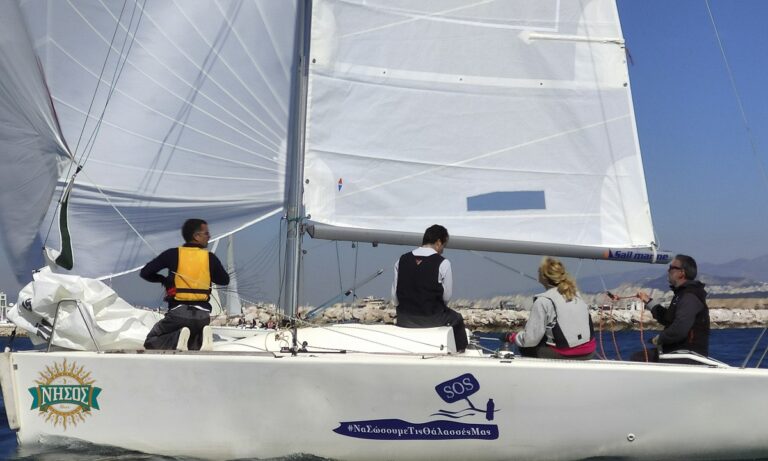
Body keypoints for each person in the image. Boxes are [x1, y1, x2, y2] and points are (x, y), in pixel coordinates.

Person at [141, 219, 229, 351]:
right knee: (189, 340)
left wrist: (164, 280)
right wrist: (205, 273)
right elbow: (224, 280)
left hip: (178, 313)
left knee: (151, 341)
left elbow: (145, 272)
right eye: (206, 233)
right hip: (203, 316)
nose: (209, 236)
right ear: (196, 236)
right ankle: (200, 338)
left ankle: (178, 338)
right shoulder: (210, 257)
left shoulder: (172, 254)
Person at [391, 224, 468, 352]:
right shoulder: (443, 263)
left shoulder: (401, 260)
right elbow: (446, 297)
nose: (443, 250)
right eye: (444, 245)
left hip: (404, 318)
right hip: (431, 317)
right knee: (457, 319)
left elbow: (395, 298)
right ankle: (462, 352)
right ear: (438, 242)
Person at [507, 257, 595, 360]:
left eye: (539, 271)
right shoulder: (575, 294)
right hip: (589, 352)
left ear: (544, 276)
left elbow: (530, 340)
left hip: (566, 354)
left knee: (526, 348)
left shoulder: (543, 301)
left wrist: (512, 337)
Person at [631, 254, 709, 362]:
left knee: (639, 358)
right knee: (641, 356)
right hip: (677, 352)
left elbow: (680, 329)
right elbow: (667, 319)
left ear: (682, 273)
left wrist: (659, 339)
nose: (668, 271)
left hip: (687, 355)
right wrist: (648, 301)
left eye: (671, 268)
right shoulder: (681, 294)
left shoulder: (689, 296)